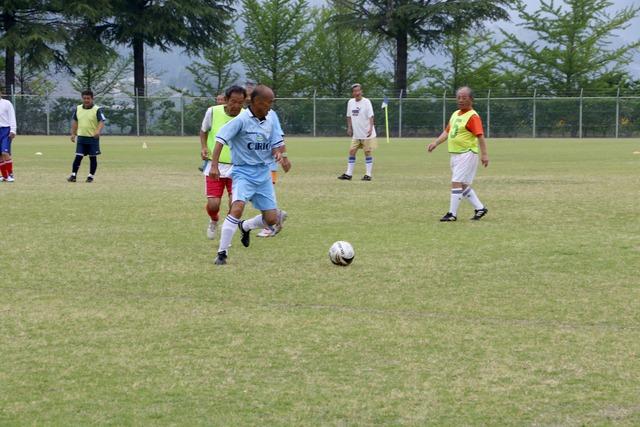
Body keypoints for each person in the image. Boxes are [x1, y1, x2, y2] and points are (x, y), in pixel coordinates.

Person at [209, 84, 291, 265]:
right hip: (243, 172)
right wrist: (214, 165)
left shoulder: (270, 118)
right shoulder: (241, 120)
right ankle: (222, 253)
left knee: (271, 219)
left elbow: (276, 141)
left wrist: (281, 155)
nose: (270, 106)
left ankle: (245, 226)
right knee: (237, 207)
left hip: (263, 174)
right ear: (255, 102)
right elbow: (220, 139)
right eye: (267, 103)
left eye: (272, 102)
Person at [427, 86, 489, 221]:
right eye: (459, 97)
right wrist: (435, 143)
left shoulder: (473, 116)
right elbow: (447, 132)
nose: (460, 100)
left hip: (467, 153)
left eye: (464, 98)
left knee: (456, 182)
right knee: (462, 184)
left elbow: (480, 136)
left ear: (471, 100)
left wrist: (484, 154)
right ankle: (480, 208)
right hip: (455, 154)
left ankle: (452, 214)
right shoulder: (455, 114)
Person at [199, 85, 247, 239]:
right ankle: (214, 220)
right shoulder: (213, 112)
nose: (237, 106)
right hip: (216, 165)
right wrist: (204, 147)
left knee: (235, 204)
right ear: (226, 100)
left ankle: (227, 233)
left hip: (238, 167)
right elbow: (203, 131)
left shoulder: (246, 116)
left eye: (241, 103)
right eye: (233, 102)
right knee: (213, 204)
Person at [338, 83, 377, 181]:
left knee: (367, 152)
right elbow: (349, 116)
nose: (357, 93)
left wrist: (371, 128)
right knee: (351, 151)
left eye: (358, 91)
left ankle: (368, 175)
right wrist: (349, 128)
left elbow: (371, 116)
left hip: (367, 134)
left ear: (361, 91)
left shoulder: (366, 102)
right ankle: (348, 174)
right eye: (355, 91)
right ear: (352, 93)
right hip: (356, 134)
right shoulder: (350, 102)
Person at [67, 90, 106, 183]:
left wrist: (97, 131)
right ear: (82, 98)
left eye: (88, 98)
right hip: (81, 138)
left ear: (92, 99)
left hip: (92, 138)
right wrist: (73, 133)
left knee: (93, 157)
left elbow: (101, 121)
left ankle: (90, 176)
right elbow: (75, 121)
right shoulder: (78, 108)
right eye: (84, 98)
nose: (86, 100)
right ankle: (73, 175)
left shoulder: (97, 109)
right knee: (78, 157)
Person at [0, 94, 17, 182]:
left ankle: (10, 174)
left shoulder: (6, 103)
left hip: (5, 130)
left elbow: (12, 117)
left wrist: (13, 130)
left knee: (4, 152)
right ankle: (4, 176)